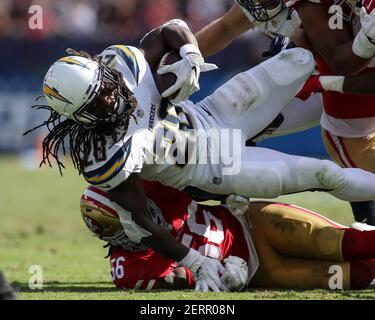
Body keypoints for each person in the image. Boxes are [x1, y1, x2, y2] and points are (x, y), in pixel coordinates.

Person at [25, 19, 375, 292]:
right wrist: (194, 261)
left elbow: (169, 30)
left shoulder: (123, 64)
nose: (108, 100)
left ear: (101, 73)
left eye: (102, 89)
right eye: (95, 104)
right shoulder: (104, 156)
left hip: (211, 113)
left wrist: (191, 55)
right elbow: (143, 223)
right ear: (80, 117)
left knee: (297, 59)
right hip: (213, 165)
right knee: (325, 175)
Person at [195, 0, 375, 225]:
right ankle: (230, 203)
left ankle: (367, 221)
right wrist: (184, 54)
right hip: (315, 84)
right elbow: (225, 27)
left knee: (353, 155)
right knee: (228, 131)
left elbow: (341, 60)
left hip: (334, 82)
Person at [81, 182, 375, 291]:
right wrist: (225, 278)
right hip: (261, 274)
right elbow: (178, 278)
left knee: (347, 244)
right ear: (118, 235)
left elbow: (202, 176)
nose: (147, 215)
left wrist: (231, 188)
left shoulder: (152, 184)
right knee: (356, 277)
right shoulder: (130, 267)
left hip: (249, 223)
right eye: (136, 218)